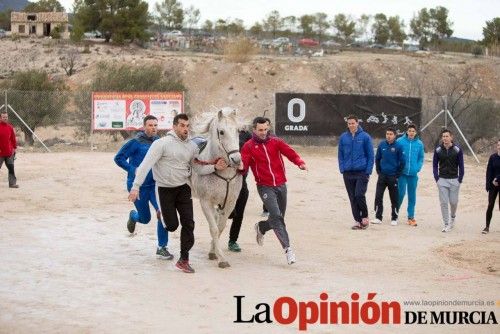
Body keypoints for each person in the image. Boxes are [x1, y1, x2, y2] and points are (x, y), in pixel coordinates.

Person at [129, 114, 226, 273]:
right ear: (174, 126)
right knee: (172, 226)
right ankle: (163, 215)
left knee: (189, 223)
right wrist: (135, 187)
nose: (185, 129)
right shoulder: (161, 144)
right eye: (182, 125)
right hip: (164, 189)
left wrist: (215, 167)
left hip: (183, 188)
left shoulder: (192, 147)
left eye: (187, 126)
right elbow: (145, 165)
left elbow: (199, 168)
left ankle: (184, 259)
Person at [239, 116, 307, 265]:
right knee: (276, 215)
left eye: (265, 129)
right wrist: (240, 168)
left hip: (281, 185)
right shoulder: (248, 146)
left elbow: (290, 153)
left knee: (279, 217)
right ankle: (288, 249)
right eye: (260, 130)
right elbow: (243, 166)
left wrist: (299, 162)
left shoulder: (276, 141)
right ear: (254, 130)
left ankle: (262, 227)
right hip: (264, 186)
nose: (263, 132)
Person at [114, 115, 173, 260]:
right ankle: (134, 216)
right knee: (145, 219)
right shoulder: (135, 142)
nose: (153, 128)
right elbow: (118, 158)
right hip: (137, 186)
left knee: (162, 213)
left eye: (155, 125)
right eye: (150, 125)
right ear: (144, 127)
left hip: (154, 185)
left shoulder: (159, 142)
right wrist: (132, 169)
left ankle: (162, 247)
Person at [338, 115, 374, 230]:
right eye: (349, 123)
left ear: (357, 123)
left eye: (353, 123)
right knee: (352, 197)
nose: (351, 125)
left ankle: (364, 216)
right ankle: (357, 221)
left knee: (359, 194)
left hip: (362, 172)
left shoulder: (365, 137)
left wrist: (368, 171)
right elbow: (340, 154)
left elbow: (370, 155)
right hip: (348, 172)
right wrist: (342, 168)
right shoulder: (343, 137)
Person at [371, 128, 405, 226]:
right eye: (387, 134)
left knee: (394, 198)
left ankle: (394, 218)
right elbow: (377, 159)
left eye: (390, 134)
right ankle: (378, 217)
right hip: (382, 176)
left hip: (393, 176)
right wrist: (378, 171)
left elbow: (403, 162)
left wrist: (397, 175)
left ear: (395, 135)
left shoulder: (399, 146)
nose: (388, 136)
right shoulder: (382, 144)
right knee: (378, 197)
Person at [433, 129, 464, 233]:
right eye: (443, 136)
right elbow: (434, 165)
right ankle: (446, 223)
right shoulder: (438, 150)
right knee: (443, 202)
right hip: (442, 180)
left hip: (454, 179)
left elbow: (461, 165)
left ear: (451, 137)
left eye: (447, 136)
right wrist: (437, 178)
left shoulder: (457, 150)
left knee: (453, 202)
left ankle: (453, 217)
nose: (445, 138)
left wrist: (460, 179)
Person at [227, 129, 252, 252]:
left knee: (238, 214)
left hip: (242, 185)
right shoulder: (230, 148)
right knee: (232, 213)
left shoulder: (250, 149)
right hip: (226, 186)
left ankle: (233, 241)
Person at [397, 124, 425, 227]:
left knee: (412, 196)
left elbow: (421, 158)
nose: (411, 133)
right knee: (400, 193)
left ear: (416, 132)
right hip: (402, 174)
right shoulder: (400, 141)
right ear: (407, 132)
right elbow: (396, 154)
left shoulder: (419, 143)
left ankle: (411, 217)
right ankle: (395, 212)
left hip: (413, 174)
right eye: (409, 131)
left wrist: (417, 168)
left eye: (413, 131)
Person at [483, 139, 500, 234]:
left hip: (497, 181)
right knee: (490, 205)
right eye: (498, 145)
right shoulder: (493, 157)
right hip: (493, 185)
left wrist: (497, 178)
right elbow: (489, 171)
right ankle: (487, 227)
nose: (499, 147)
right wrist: (488, 184)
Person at [0, 112, 18, 188]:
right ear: (0, 118)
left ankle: (12, 184)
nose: (5, 118)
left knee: (11, 168)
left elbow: (13, 139)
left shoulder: (10, 127)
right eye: (3, 117)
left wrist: (14, 148)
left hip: (9, 152)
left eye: (6, 117)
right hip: (0, 153)